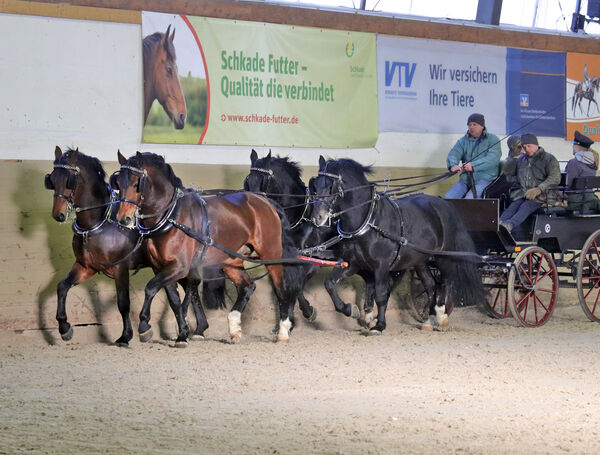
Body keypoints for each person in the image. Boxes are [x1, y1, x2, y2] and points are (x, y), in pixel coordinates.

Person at [499, 133, 561, 233]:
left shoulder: (549, 158)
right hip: (524, 194)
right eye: (524, 147)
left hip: (545, 195)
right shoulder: (521, 160)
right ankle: (499, 223)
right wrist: (511, 159)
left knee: (526, 206)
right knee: (514, 205)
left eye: (529, 146)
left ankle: (510, 225)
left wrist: (539, 189)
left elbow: (555, 178)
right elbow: (510, 177)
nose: (526, 149)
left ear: (536, 145)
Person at [445, 113, 501, 199]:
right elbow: (454, 153)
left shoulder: (493, 139)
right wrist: (453, 165)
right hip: (465, 179)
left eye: (474, 124)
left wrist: (473, 166)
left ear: (482, 126)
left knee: (469, 200)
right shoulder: (463, 141)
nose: (471, 127)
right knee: (448, 198)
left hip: (485, 179)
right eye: (469, 125)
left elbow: (492, 159)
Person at [565, 130, 600, 212]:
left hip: (575, 201)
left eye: (573, 144)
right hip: (590, 198)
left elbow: (567, 185)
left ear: (577, 146)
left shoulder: (574, 163)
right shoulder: (593, 163)